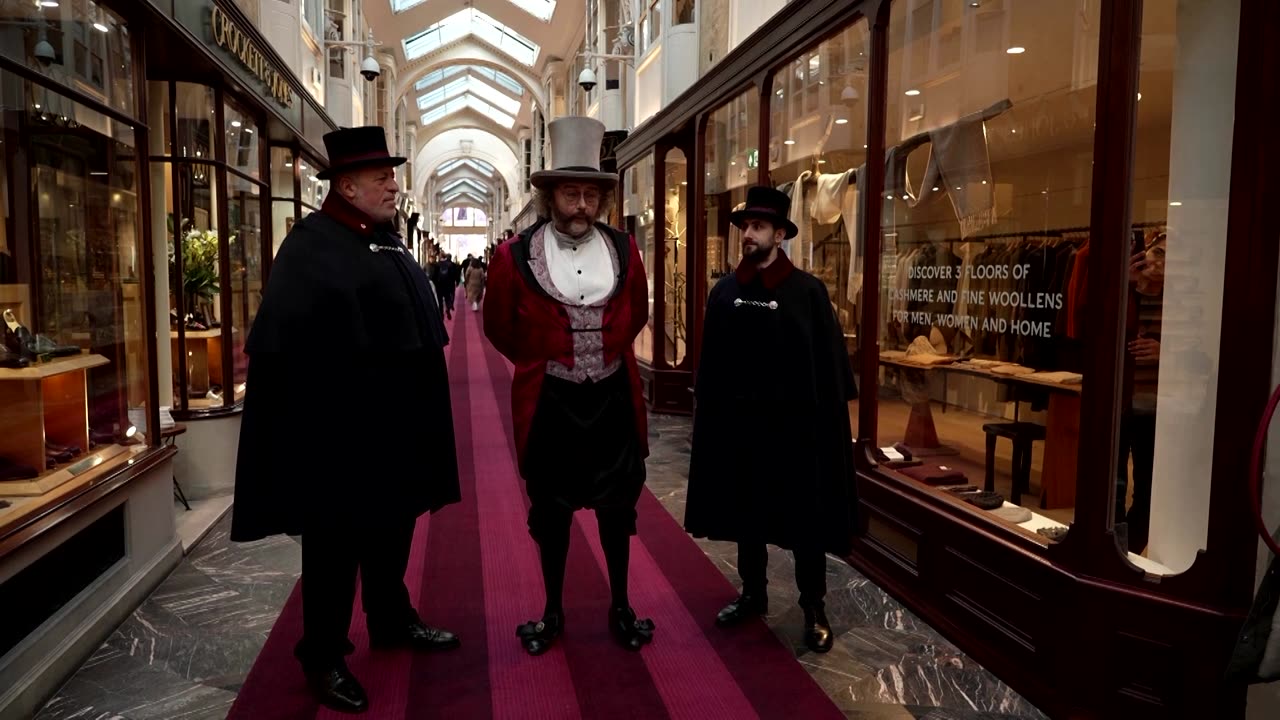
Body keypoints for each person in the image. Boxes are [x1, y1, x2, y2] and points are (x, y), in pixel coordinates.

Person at [231, 127, 461, 714]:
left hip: (395, 434)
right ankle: (323, 655)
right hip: (339, 442)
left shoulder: (385, 241)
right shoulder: (312, 245)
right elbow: (289, 355)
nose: (392, 184)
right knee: (334, 551)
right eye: (381, 177)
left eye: (392, 174)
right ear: (346, 184)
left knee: (393, 531)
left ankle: (390, 619)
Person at [484, 116, 653, 656]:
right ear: (551, 196)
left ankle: (621, 605)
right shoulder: (513, 256)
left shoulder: (626, 250)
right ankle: (552, 610)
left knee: (616, 510)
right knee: (552, 513)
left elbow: (637, 314)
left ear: (601, 199)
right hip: (551, 403)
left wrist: (600, 353)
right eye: (570, 193)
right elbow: (499, 326)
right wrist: (545, 360)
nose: (581, 205)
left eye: (589, 194)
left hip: (612, 402)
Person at [685, 185, 857, 654]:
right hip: (742, 434)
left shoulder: (808, 293)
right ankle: (753, 595)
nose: (748, 234)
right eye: (745, 227)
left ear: (780, 234)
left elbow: (830, 370)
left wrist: (823, 428)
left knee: (805, 524)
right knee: (747, 518)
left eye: (758, 227)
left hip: (796, 436)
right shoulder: (725, 293)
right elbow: (713, 369)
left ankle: (813, 607)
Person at [1117, 229, 1165, 555]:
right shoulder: (1129, 291)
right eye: (1156, 252)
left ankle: (1129, 553)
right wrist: (1128, 286)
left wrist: (1166, 352)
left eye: (1166, 255)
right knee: (1113, 488)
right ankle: (1113, 552)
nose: (1158, 261)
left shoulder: (1182, 298)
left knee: (1148, 492)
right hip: (1119, 403)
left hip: (1155, 408)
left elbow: (1207, 353)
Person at [435, 253, 458, 319]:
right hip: (447, 285)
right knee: (447, 298)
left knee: (440, 300)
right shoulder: (450, 265)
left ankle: (441, 314)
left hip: (439, 285)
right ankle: (448, 309)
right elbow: (453, 275)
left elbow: (434, 276)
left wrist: (436, 283)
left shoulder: (437, 264)